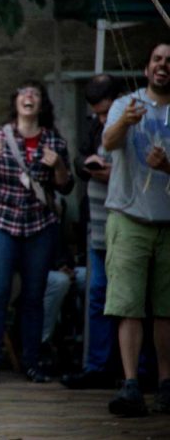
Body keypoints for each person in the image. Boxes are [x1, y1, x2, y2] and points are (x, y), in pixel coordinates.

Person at [0, 80, 74, 384]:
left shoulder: (54, 142)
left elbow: (66, 186)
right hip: (1, 223)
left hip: (39, 225)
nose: (29, 97)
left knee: (34, 295)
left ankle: (32, 362)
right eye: (24, 93)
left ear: (41, 105)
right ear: (16, 101)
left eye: (35, 94)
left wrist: (57, 167)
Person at [102, 42, 170, 416]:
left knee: (166, 310)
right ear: (147, 68)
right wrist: (126, 121)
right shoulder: (125, 105)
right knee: (128, 306)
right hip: (129, 218)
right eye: (157, 59)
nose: (163, 66)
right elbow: (108, 143)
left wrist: (167, 167)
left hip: (168, 224)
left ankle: (165, 383)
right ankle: (130, 385)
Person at [61, 74, 125, 389]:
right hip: (97, 224)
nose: (101, 118)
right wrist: (89, 163)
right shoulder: (97, 123)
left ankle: (136, 370)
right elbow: (78, 157)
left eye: (105, 111)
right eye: (96, 113)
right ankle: (98, 365)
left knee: (130, 301)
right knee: (97, 293)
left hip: (128, 220)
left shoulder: (129, 121)